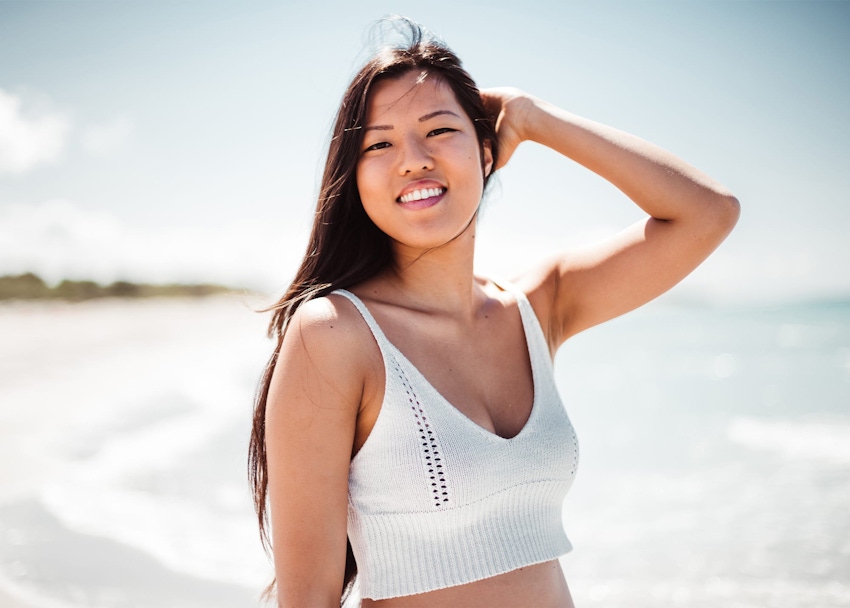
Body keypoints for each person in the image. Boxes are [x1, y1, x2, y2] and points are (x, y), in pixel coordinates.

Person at [248, 17, 739, 608]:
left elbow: (709, 212)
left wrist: (535, 119)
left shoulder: (538, 306)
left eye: (439, 130)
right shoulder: (334, 335)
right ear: (354, 179)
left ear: (486, 153)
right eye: (379, 143)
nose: (412, 160)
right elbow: (307, 600)